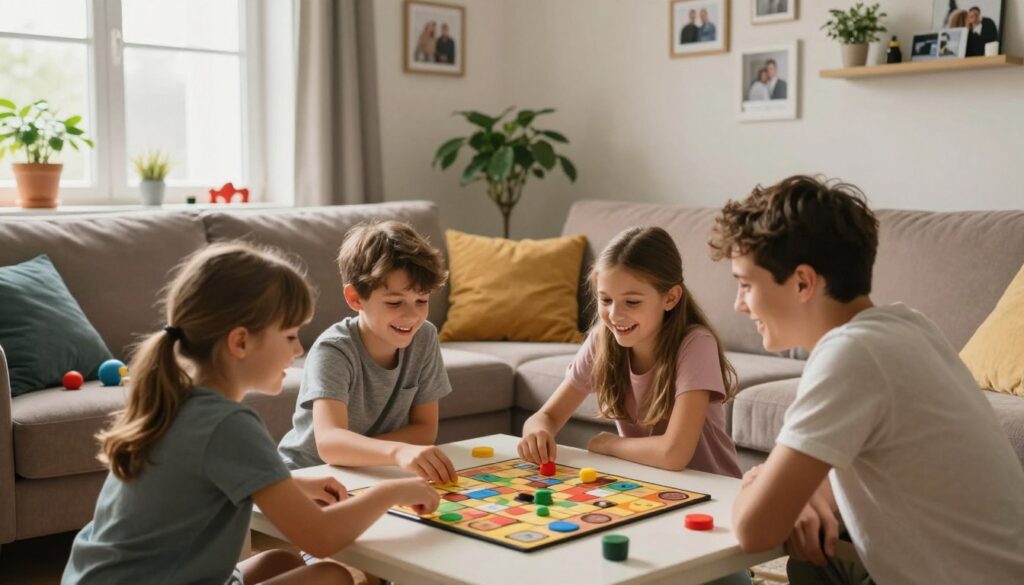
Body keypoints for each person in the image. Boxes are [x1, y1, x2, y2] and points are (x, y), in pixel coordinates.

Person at [62, 243, 440, 585]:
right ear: (240, 342)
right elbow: (321, 538)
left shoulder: (181, 400)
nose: (297, 351)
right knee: (331, 576)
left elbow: (205, 485)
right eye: (290, 336)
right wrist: (392, 491)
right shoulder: (228, 425)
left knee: (277, 561)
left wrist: (288, 485)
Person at [709, 176, 1024, 585]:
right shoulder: (907, 324)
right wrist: (808, 490)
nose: (738, 304)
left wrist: (756, 481)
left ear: (803, 282)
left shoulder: (850, 356)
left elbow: (755, 529)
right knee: (813, 559)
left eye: (746, 285)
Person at [518, 226, 742, 478]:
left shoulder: (696, 344)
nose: (614, 315)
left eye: (632, 302)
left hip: (711, 491)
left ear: (670, 298)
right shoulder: (602, 340)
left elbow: (674, 453)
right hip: (647, 485)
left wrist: (609, 444)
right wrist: (537, 431)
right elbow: (545, 416)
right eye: (605, 300)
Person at [278, 221, 458, 486]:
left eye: (422, 300)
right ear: (355, 298)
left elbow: (425, 429)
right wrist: (397, 452)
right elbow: (330, 444)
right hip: (309, 475)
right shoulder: (334, 350)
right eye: (395, 302)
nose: (412, 315)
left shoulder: (425, 337)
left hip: (370, 472)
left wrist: (367, 455)